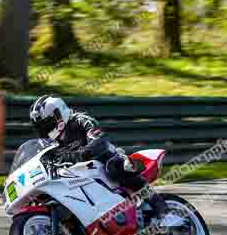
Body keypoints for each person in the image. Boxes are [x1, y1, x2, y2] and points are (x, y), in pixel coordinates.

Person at [29, 95, 169, 226]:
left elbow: (99, 139)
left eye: (46, 125)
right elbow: (42, 157)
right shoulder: (52, 143)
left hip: (105, 159)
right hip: (78, 174)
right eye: (41, 128)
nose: (45, 131)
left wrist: (83, 153)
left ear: (59, 116)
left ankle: (163, 209)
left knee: (115, 167)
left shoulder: (80, 120)